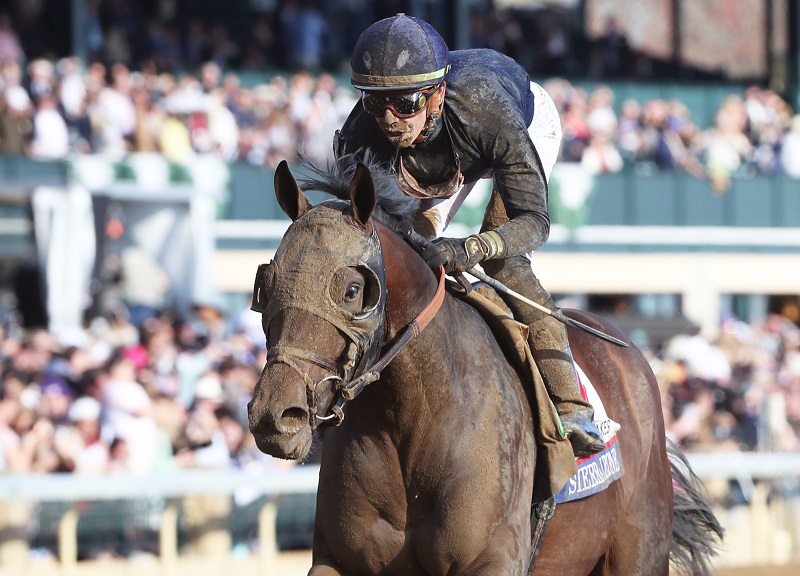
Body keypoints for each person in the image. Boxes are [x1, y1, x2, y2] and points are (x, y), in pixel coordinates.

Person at [334, 14, 605, 456]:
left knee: (503, 260)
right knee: (405, 244)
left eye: (404, 103)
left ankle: (571, 404)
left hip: (519, 120)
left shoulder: (488, 113)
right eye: (375, 102)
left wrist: (472, 247)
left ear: (436, 94)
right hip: (443, 148)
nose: (388, 120)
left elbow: (534, 222)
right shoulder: (359, 137)